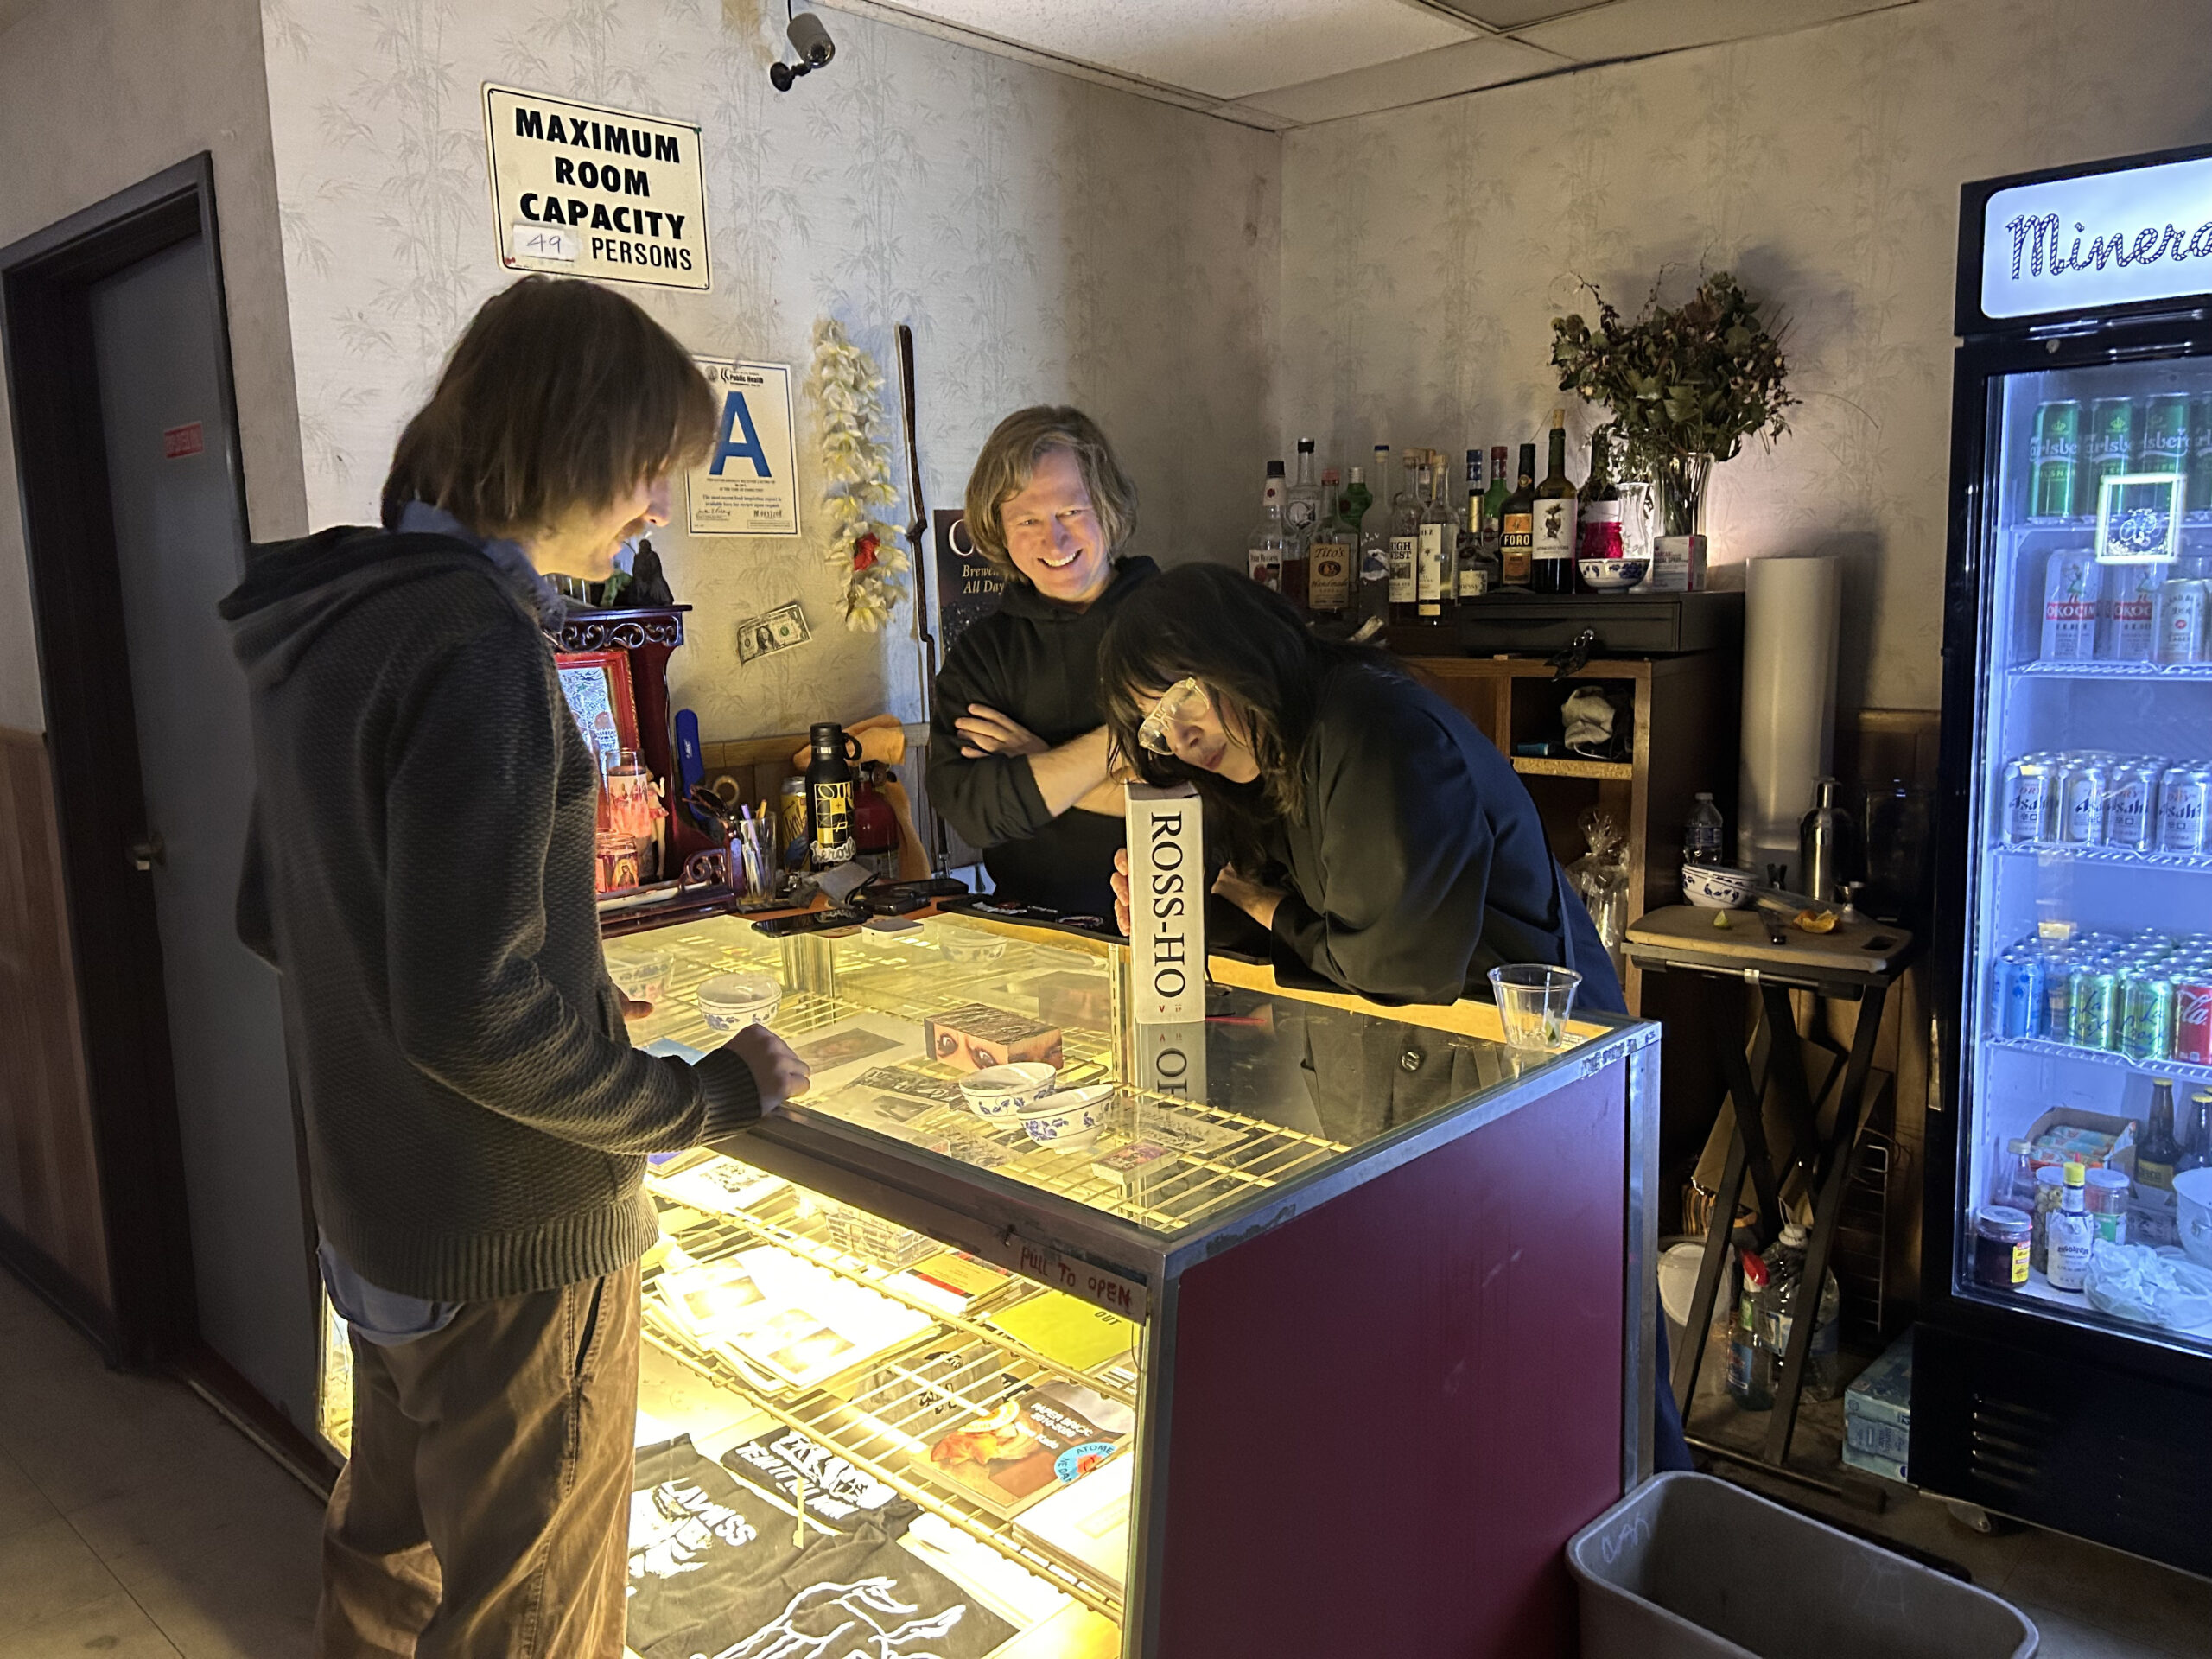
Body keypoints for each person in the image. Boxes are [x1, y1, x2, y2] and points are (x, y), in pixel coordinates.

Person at [221, 276, 811, 1658]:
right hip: (514, 1236)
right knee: (532, 1616)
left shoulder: (333, 621)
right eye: (648, 471)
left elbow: (281, 914)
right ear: (574, 446)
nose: (655, 507)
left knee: (390, 1557)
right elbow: (474, 1021)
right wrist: (700, 1099)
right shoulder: (476, 645)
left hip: (376, 1213)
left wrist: (569, 997)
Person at [1100, 564, 1693, 1473]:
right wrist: (1183, 907)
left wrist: (1256, 912)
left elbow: (1393, 962)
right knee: (1462, 1393)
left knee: (1583, 1376)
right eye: (1151, 725)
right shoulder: (1281, 753)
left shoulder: (1367, 723)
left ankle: (1653, 1574)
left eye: (1182, 697)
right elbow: (1306, 922)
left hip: (1530, 1079)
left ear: (1240, 651)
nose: (1177, 736)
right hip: (1432, 1088)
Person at [925, 406, 1157, 916]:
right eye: (1027, 519)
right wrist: (1124, 742)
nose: (1054, 540)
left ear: (1108, 506)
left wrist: (1035, 760)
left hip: (1178, 943)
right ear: (998, 530)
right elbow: (973, 812)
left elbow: (1202, 800)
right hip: (1027, 943)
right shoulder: (982, 653)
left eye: (1071, 511)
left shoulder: (1178, 622)